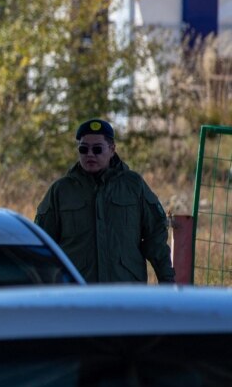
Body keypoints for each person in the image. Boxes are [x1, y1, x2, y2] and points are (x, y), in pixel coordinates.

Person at [35, 118, 175, 284]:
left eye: (97, 149)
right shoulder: (61, 191)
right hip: (77, 291)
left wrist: (167, 281)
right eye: (83, 149)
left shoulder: (133, 186)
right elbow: (41, 244)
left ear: (112, 149)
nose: (90, 154)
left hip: (125, 291)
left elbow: (155, 238)